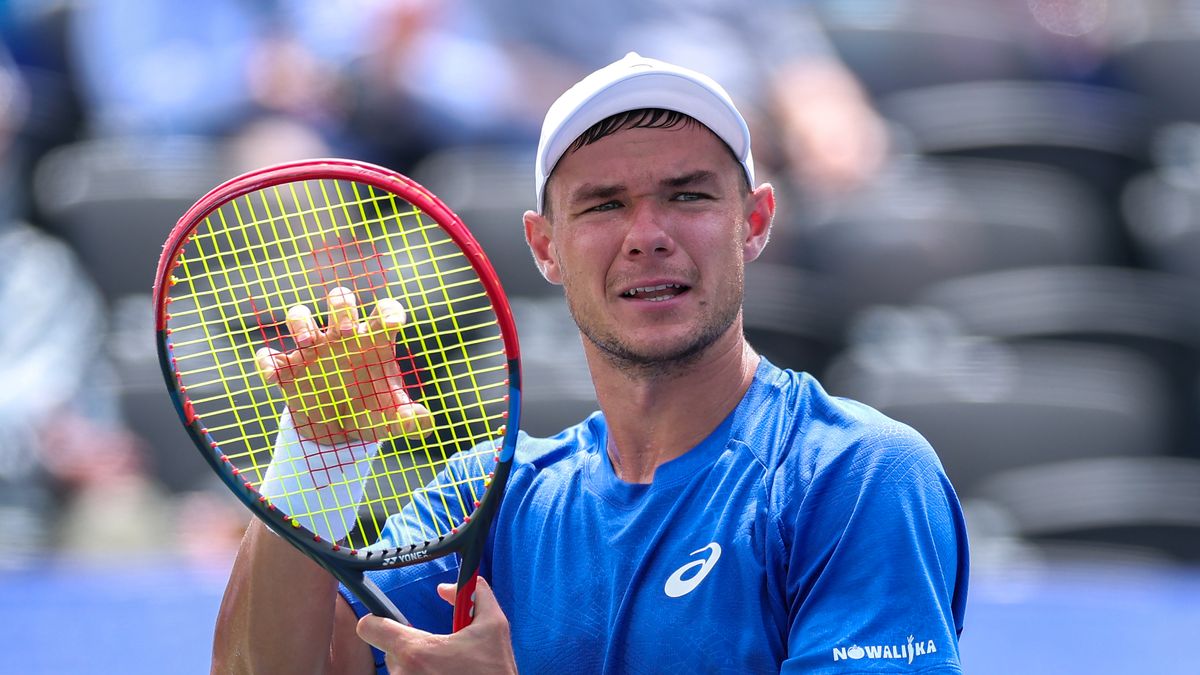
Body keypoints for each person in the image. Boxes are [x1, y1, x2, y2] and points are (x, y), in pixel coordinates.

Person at [213, 53, 968, 674]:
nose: (647, 233)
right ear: (545, 245)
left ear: (755, 223)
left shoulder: (858, 475)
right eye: (604, 204)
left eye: (688, 195)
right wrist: (317, 458)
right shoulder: (487, 499)